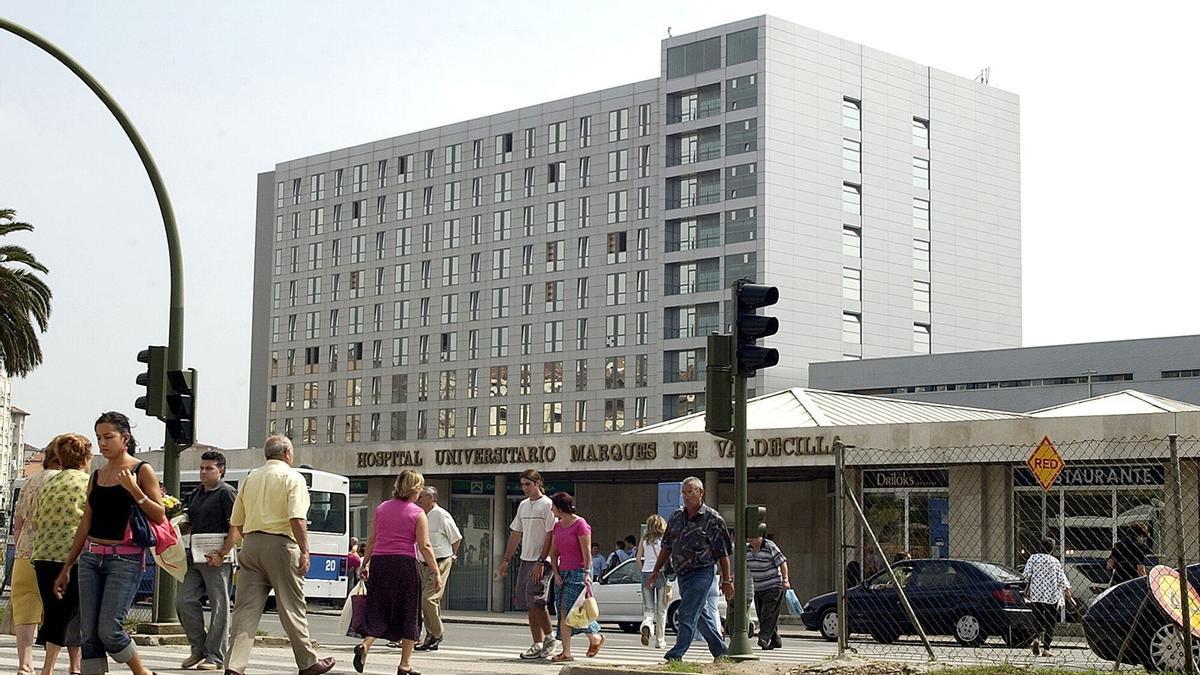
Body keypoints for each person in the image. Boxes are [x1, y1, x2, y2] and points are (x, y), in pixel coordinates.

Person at [53, 413, 165, 675]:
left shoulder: (141, 470)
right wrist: (67, 566)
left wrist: (134, 490)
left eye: (108, 437)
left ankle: (142, 672)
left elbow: (159, 515)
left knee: (110, 631)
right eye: (99, 438)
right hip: (91, 558)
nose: (102, 443)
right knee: (89, 634)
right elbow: (86, 522)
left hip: (124, 559)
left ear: (125, 438)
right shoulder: (97, 475)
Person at [216, 434, 335, 675]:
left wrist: (244, 542)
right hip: (281, 545)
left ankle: (234, 666)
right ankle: (307, 662)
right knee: (291, 605)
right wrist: (305, 550)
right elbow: (297, 518)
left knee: (245, 610)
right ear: (287, 453)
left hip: (251, 545)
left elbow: (237, 521)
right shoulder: (293, 477)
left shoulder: (250, 478)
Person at [354, 470, 442, 675]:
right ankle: (405, 664)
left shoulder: (381, 508)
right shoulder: (417, 513)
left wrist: (364, 563)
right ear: (416, 489)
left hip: (380, 562)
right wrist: (436, 572)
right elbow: (425, 545)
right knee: (409, 612)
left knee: (379, 609)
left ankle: (365, 645)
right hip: (404, 564)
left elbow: (372, 539)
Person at [647, 477, 733, 663]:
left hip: (702, 572)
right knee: (699, 614)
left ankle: (676, 654)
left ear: (701, 493)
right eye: (684, 493)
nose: (686, 497)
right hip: (682, 574)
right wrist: (656, 570)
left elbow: (723, 553)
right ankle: (721, 652)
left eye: (690, 492)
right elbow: (667, 546)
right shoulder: (676, 517)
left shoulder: (713, 519)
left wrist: (727, 580)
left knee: (686, 612)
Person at [33, 434, 90, 675]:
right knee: (72, 613)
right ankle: (59, 668)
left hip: (43, 553)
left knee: (55, 612)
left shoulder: (49, 483)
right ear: (86, 458)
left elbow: (37, 519)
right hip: (73, 555)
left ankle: (55, 667)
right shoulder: (88, 483)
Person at [176, 450, 237, 671]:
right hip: (194, 555)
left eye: (209, 468)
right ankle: (198, 648)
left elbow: (236, 526)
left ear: (221, 470)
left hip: (217, 558)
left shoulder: (227, 493)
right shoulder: (196, 493)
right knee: (183, 601)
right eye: (201, 468)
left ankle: (216, 655)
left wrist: (222, 553)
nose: (203, 472)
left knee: (219, 606)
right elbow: (190, 521)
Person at [12, 440, 62, 675]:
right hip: (56, 553)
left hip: (25, 551)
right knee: (57, 609)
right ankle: (49, 666)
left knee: (25, 607)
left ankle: (25, 663)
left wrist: (20, 547)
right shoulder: (67, 480)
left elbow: (18, 523)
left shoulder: (29, 482)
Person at [497, 468, 558, 660]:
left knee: (536, 598)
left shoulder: (547, 504)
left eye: (528, 484)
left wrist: (542, 561)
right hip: (526, 559)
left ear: (538, 483)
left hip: (542, 560)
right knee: (528, 600)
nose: (525, 488)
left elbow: (551, 534)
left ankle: (550, 638)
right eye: (522, 485)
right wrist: (506, 559)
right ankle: (537, 643)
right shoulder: (523, 505)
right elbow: (516, 533)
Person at [546, 492, 603, 662]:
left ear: (559, 507)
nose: (551, 510)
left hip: (578, 572)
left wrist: (587, 573)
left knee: (569, 610)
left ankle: (570, 650)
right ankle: (590, 640)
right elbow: (553, 552)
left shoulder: (580, 524)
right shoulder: (557, 526)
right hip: (562, 572)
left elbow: (586, 552)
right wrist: (556, 573)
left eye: (553, 506)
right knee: (566, 612)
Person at [414, 485, 462, 652]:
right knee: (426, 601)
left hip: (440, 560)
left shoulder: (441, 515)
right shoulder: (421, 515)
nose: (419, 499)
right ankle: (430, 636)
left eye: (422, 496)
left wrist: (453, 556)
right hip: (424, 562)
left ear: (431, 498)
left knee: (429, 598)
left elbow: (456, 538)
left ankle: (437, 633)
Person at [1023, 536, 1075, 657]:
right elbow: (1061, 579)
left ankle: (1036, 638)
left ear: (1040, 546)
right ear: (1052, 549)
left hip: (1036, 593)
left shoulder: (1033, 558)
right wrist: (1069, 594)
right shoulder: (1054, 561)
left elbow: (1026, 575)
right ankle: (1046, 648)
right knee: (1050, 621)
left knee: (1037, 618)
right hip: (1052, 595)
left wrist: (1027, 586)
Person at [747, 534, 790, 650]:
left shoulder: (769, 546)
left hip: (773, 585)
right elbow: (743, 567)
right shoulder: (747, 550)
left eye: (755, 538)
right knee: (762, 615)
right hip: (759, 587)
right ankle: (775, 640)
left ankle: (764, 638)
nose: (752, 540)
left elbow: (782, 562)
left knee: (768, 613)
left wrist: (785, 580)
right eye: (750, 538)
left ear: (760, 537)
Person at [637, 514, 669, 649]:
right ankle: (660, 640)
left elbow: (638, 559)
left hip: (646, 574)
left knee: (649, 608)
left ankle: (647, 625)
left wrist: (643, 573)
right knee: (661, 609)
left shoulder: (644, 540)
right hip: (661, 574)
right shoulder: (664, 540)